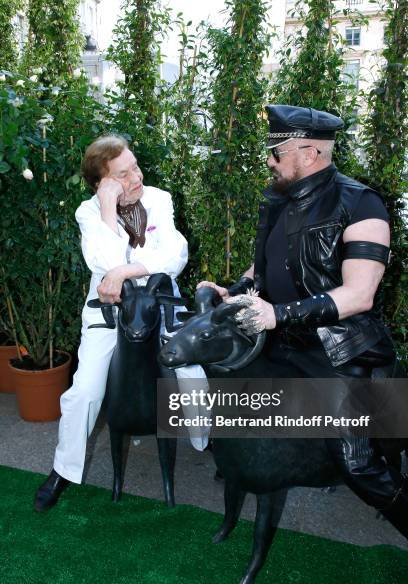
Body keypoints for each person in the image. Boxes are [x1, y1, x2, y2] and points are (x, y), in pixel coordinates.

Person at [200, 104, 408, 538]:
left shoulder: (362, 205)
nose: (269, 161)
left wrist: (277, 314)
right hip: (283, 345)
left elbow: (360, 294)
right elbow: (265, 268)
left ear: (310, 152)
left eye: (277, 153)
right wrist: (233, 292)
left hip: (337, 351)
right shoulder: (277, 199)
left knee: (358, 463)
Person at [35, 134, 209, 512]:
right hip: (109, 311)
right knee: (85, 390)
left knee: (191, 369)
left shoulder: (159, 199)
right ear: (103, 182)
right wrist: (108, 209)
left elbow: (174, 255)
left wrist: (126, 271)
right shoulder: (88, 212)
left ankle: (204, 440)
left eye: (135, 166)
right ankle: (63, 470)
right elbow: (102, 262)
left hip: (160, 302)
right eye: (123, 174)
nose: (137, 176)